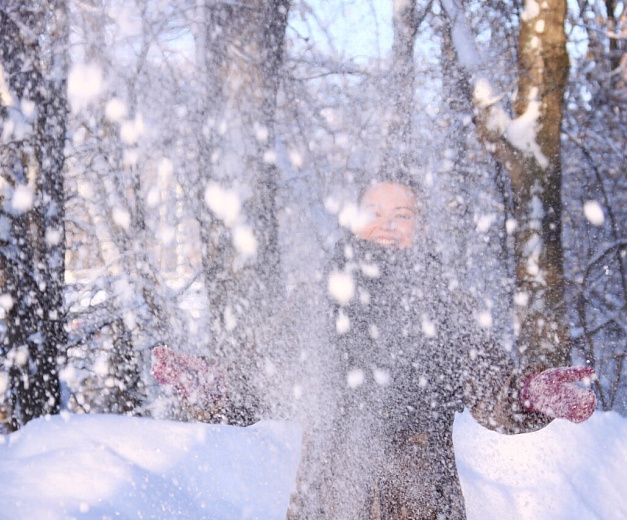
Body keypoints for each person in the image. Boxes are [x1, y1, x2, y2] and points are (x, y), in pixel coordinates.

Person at [152, 178, 596, 519]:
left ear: (419, 227)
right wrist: (214, 389)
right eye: (374, 211)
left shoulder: (441, 304)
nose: (387, 223)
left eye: (402, 214)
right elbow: (263, 378)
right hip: (328, 503)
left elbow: (489, 384)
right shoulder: (317, 300)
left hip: (421, 503)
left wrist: (526, 394)